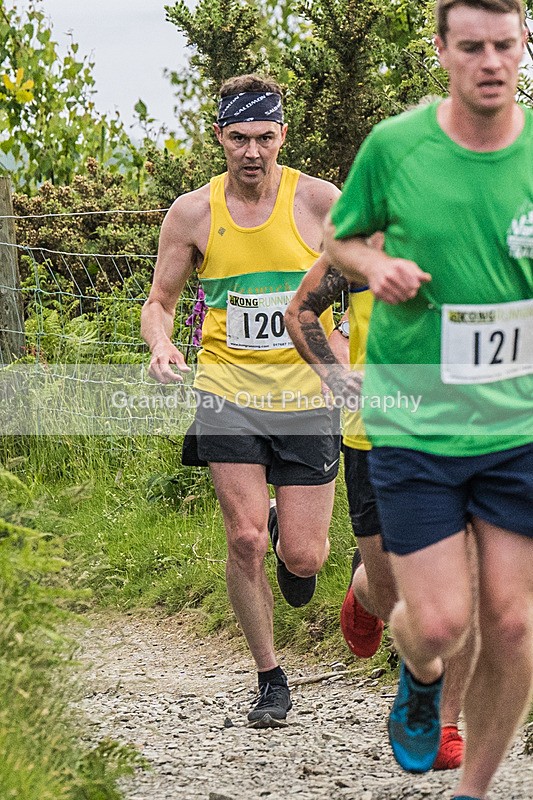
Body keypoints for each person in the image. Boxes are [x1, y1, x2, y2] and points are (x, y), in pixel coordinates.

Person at [322, 1, 533, 797]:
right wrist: (371, 268)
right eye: (470, 46)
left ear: (522, 47)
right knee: (440, 621)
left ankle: (472, 791)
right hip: (417, 421)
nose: (489, 62)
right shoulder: (396, 147)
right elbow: (337, 239)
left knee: (511, 621)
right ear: (441, 50)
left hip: (516, 422)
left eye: (503, 45)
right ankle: (417, 670)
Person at [141, 74, 341, 728]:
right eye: (238, 138)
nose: (251, 152)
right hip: (226, 391)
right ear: (219, 137)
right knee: (244, 536)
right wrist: (162, 347)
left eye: (263, 137)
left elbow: (366, 289)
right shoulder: (191, 214)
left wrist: (345, 349)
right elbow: (158, 303)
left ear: (282, 134)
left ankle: (290, 525)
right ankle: (268, 676)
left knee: (303, 559)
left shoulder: (319, 203)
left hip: (307, 395)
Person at [285, 251, 479, 771]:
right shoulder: (366, 241)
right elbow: (301, 310)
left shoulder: (478, 225)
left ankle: (443, 720)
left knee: (465, 583)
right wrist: (336, 376)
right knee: (395, 592)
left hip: (461, 432)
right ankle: (363, 590)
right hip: (376, 436)